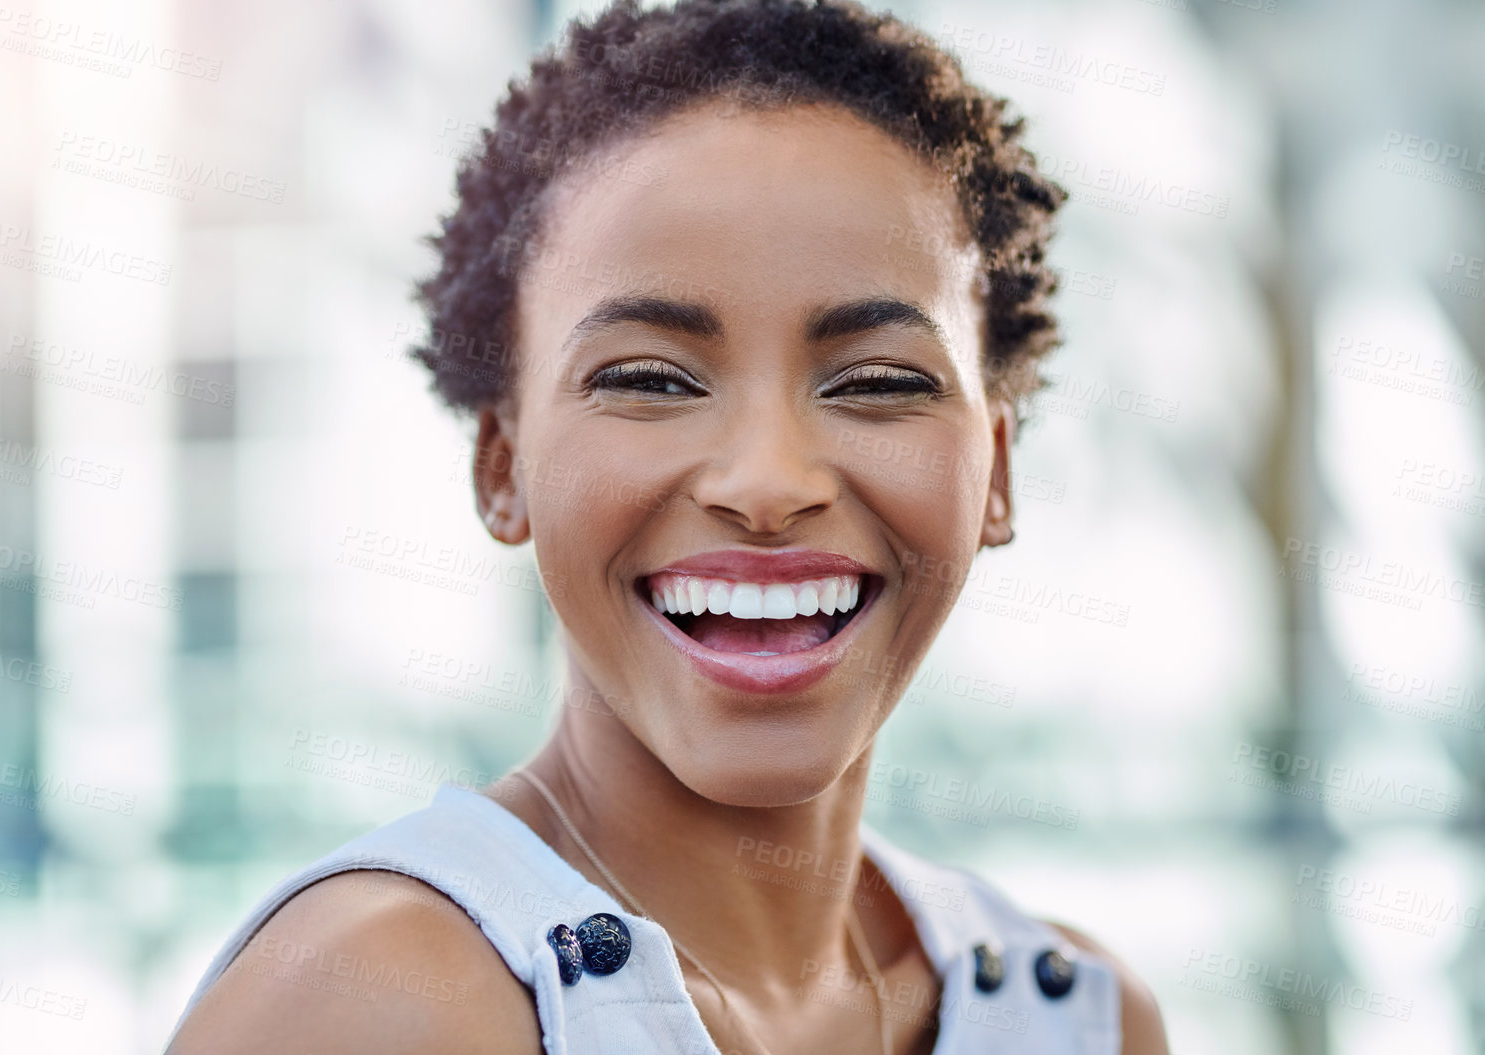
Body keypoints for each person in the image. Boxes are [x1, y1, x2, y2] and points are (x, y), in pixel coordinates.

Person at [169, 0, 1169, 1051]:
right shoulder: (374, 998)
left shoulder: (1082, 1018)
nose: (767, 481)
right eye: (648, 377)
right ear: (501, 464)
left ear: (996, 471)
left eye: (875, 382)